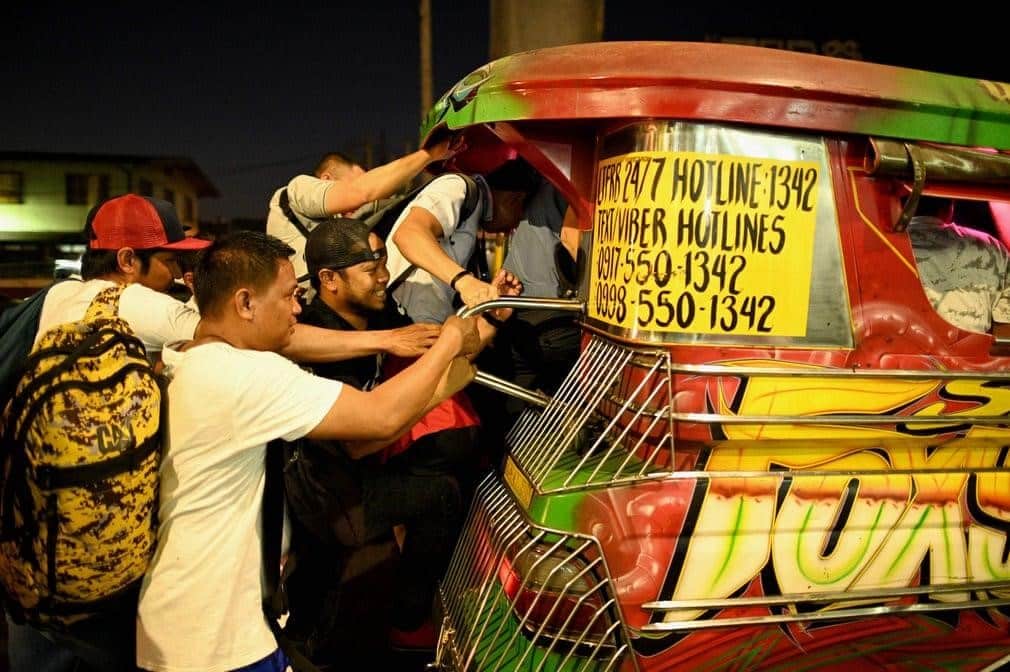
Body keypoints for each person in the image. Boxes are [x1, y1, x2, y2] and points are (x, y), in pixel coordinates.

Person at [135, 231, 479, 672]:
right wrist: (450, 342)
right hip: (217, 641)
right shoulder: (243, 374)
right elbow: (379, 418)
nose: (298, 310)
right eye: (288, 297)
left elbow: (306, 350)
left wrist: (404, 353)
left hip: (187, 624)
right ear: (245, 303)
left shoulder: (188, 357)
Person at [283, 218, 515, 663]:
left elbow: (448, 350)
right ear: (329, 280)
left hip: (358, 468)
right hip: (329, 495)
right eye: (370, 269)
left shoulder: (379, 313)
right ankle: (409, 622)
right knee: (440, 494)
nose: (384, 276)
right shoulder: (322, 336)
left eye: (383, 263)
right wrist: (439, 390)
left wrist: (492, 315)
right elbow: (360, 440)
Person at [4, 194, 211, 672]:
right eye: (170, 261)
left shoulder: (56, 296)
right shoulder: (134, 301)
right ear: (127, 260)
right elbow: (235, 329)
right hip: (106, 559)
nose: (175, 275)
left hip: (33, 542)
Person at [267, 138, 457, 290]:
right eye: (358, 180)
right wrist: (429, 154)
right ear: (326, 179)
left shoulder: (336, 220)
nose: (359, 205)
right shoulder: (297, 191)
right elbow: (359, 193)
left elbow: (379, 203)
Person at [908, 196, 1010, 333]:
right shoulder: (990, 246)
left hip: (897, 343)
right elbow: (1005, 325)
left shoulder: (886, 244)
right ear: (950, 207)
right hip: (969, 346)